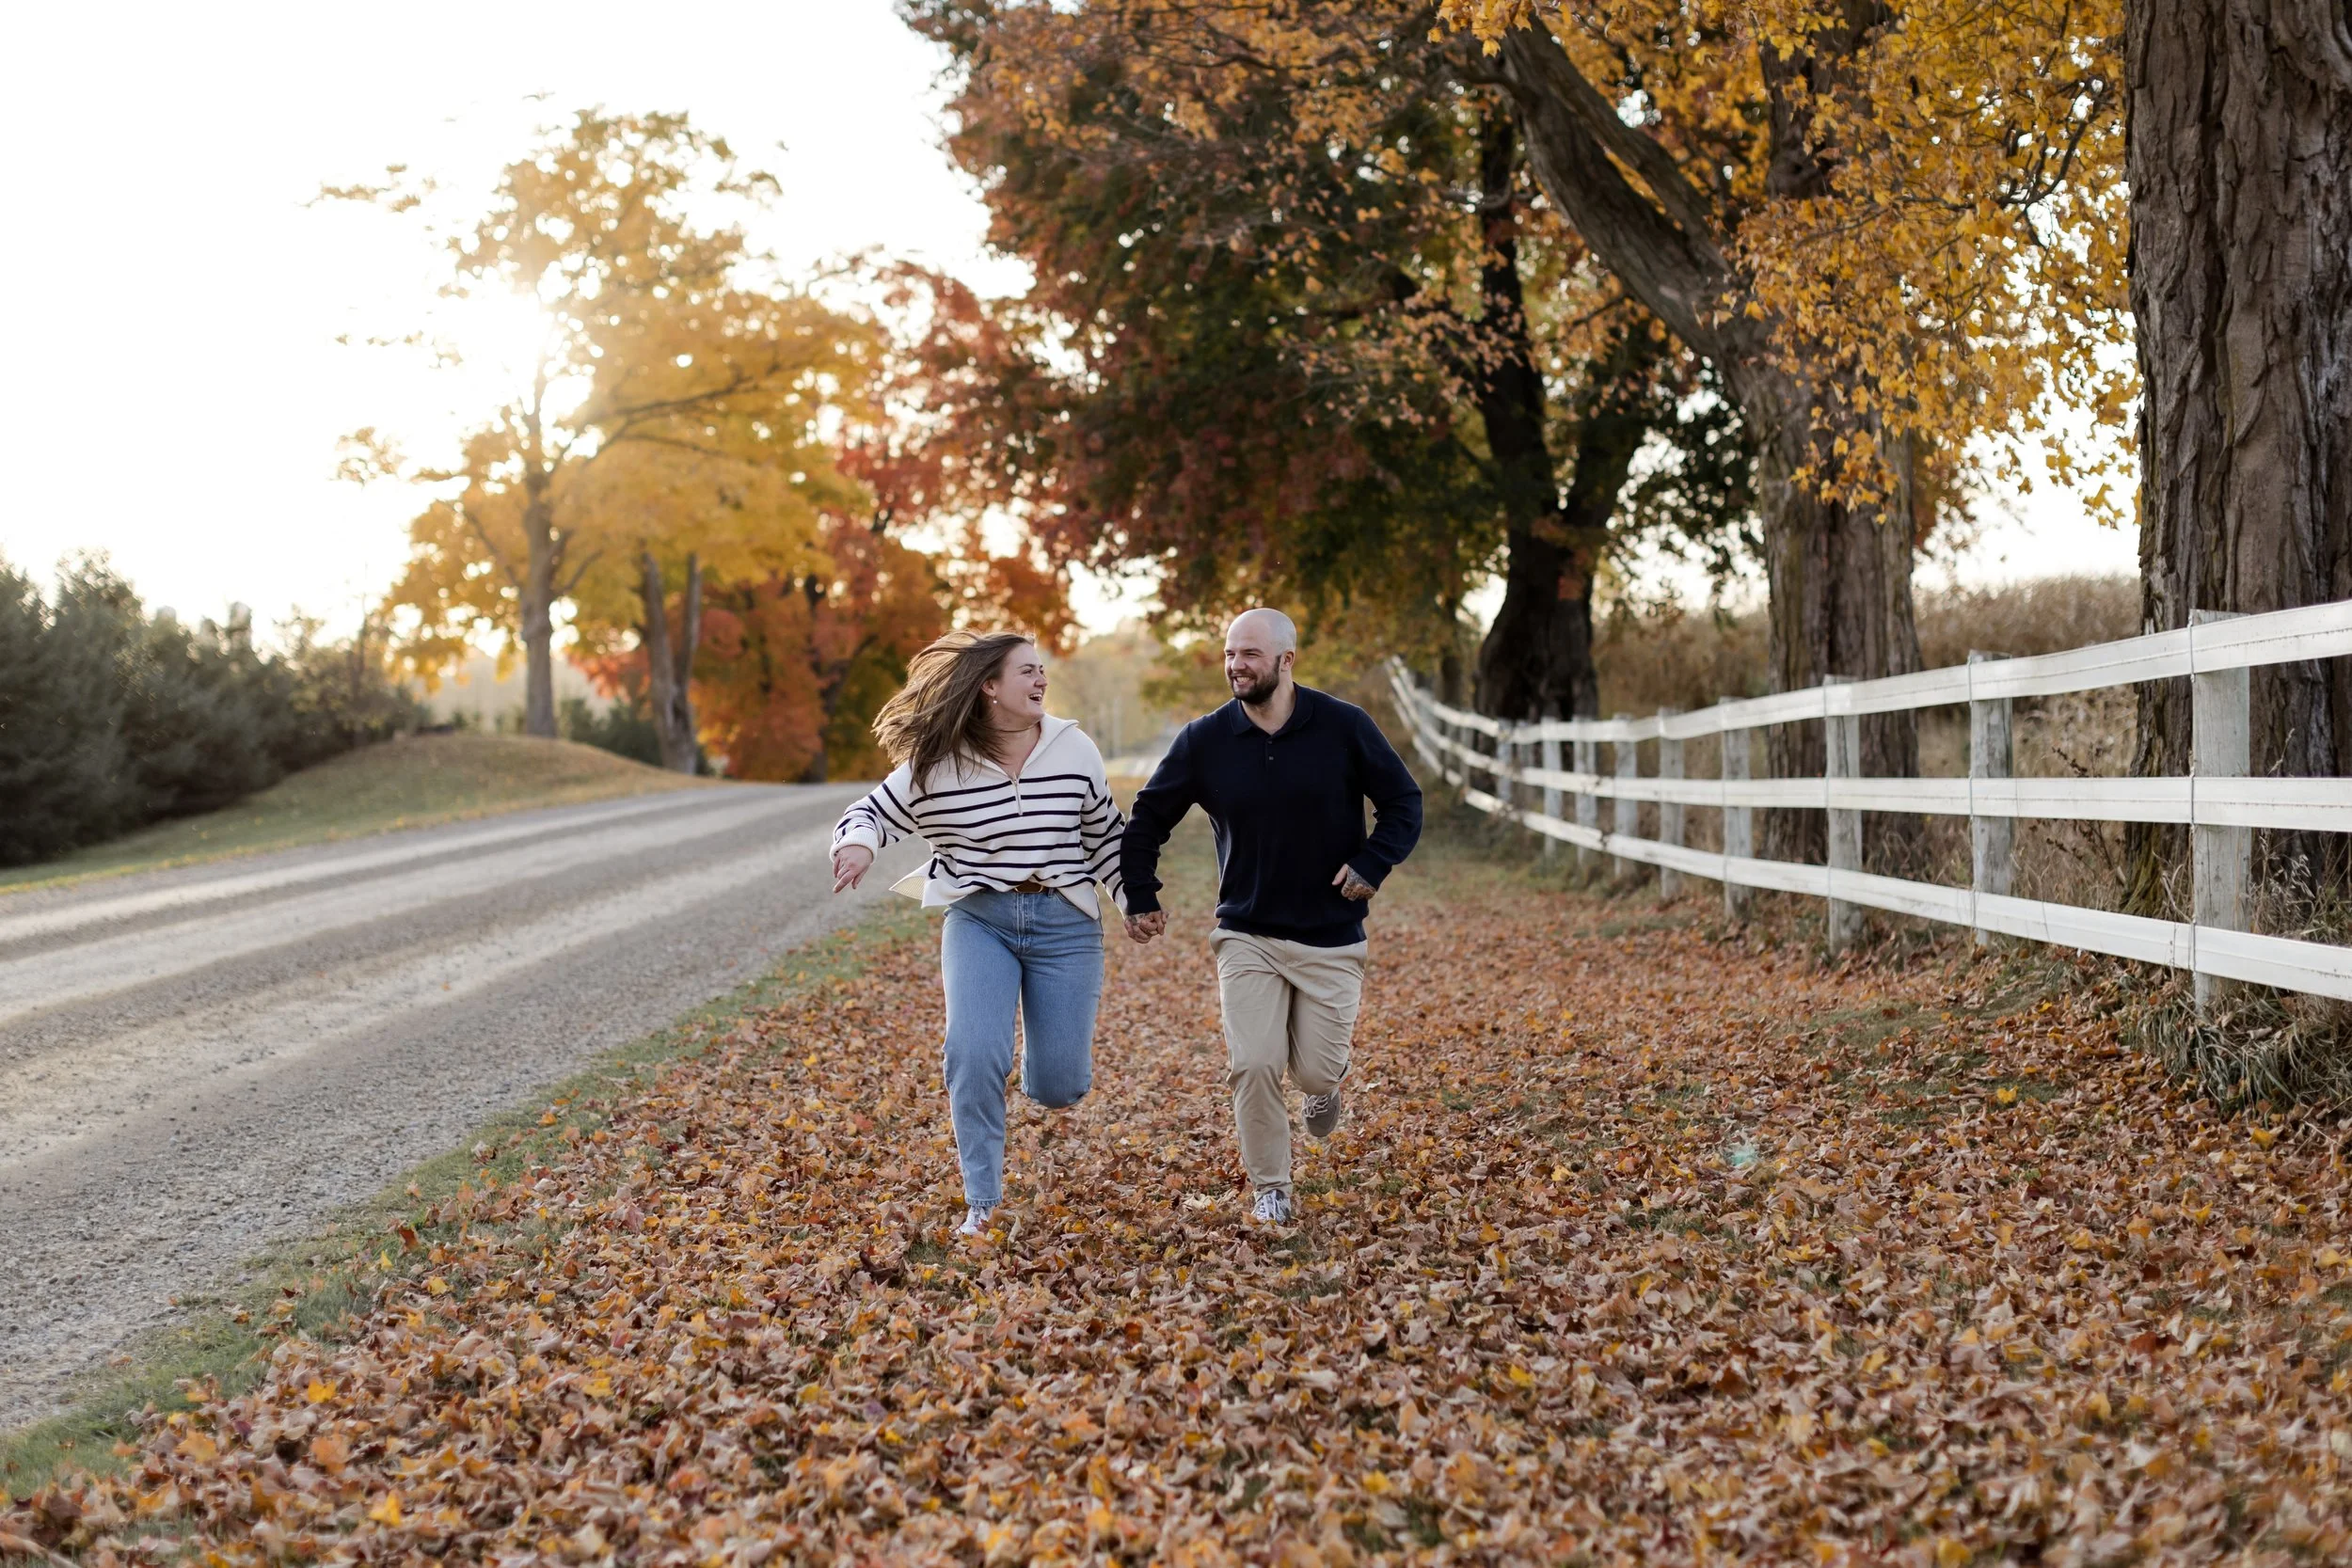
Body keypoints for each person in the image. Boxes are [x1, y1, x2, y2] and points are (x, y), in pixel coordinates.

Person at [1120, 608, 1422, 1225]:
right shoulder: (1205, 740)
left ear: (1287, 660)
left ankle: (1324, 1085)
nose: (1236, 665)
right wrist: (1140, 893)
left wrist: (1372, 862)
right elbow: (1148, 817)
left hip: (1332, 935)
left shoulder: (1343, 726)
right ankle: (1272, 1187)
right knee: (1253, 1062)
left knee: (1313, 1066)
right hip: (1246, 932)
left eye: (1250, 654)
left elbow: (1402, 801)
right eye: (1231, 653)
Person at [830, 630, 1128, 1239]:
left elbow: (1106, 836)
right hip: (979, 918)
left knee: (1059, 1082)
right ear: (990, 686)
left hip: (1065, 922)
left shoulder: (1075, 750)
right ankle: (983, 1203)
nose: (1041, 679)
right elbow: (871, 812)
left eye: (1042, 670)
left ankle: (1037, 1065)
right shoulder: (940, 763)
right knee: (972, 1054)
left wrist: (1135, 900)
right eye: (1027, 671)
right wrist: (858, 844)